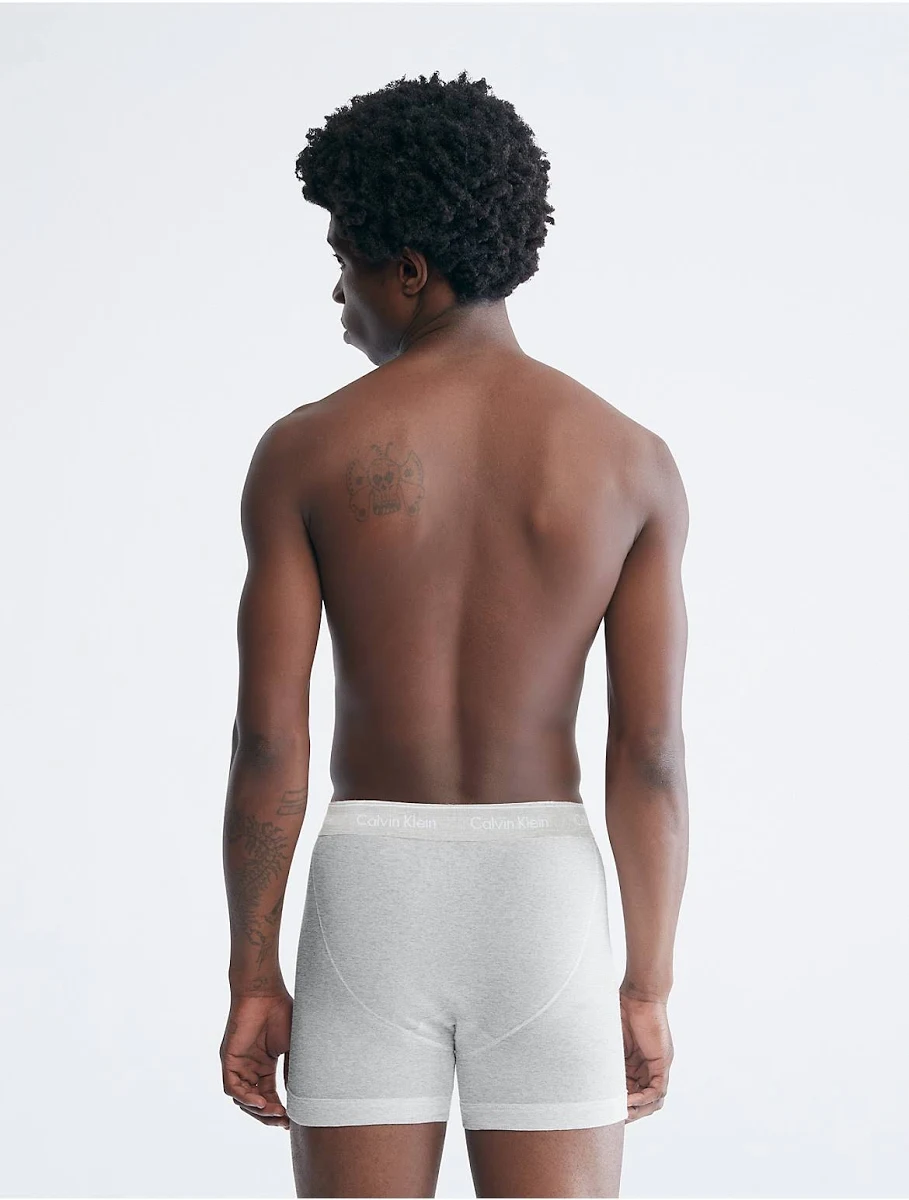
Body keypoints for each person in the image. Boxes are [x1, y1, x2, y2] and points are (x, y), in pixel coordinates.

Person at [220, 69, 689, 1199]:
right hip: (545, 905)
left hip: (370, 900)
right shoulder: (630, 462)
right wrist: (646, 985)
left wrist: (254, 974)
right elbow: (649, 757)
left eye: (344, 259)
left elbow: (270, 745)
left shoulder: (305, 452)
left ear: (410, 271)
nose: (339, 293)